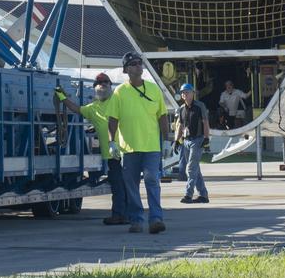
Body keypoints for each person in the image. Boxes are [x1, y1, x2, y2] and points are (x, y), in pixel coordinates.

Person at [107, 51, 169, 234]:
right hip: (129, 148)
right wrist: (112, 142)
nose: (138, 66)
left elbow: (163, 116)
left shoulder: (154, 89)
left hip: (151, 146)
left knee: (152, 180)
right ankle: (136, 221)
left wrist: (167, 140)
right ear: (126, 69)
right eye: (133, 64)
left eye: (139, 63)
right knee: (131, 185)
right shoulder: (120, 92)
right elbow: (113, 119)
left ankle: (156, 219)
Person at [55, 73, 128, 225]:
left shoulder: (118, 100)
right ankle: (122, 215)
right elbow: (75, 108)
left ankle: (123, 215)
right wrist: (61, 96)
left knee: (124, 185)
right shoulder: (92, 108)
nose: (103, 85)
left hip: (126, 150)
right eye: (99, 83)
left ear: (111, 86)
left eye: (106, 82)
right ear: (95, 88)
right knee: (118, 185)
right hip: (111, 154)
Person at [175, 83, 210, 203]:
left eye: (187, 92)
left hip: (198, 140)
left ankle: (188, 195)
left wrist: (206, 138)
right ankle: (203, 195)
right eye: (183, 93)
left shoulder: (200, 106)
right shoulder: (181, 109)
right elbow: (180, 125)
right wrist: (177, 140)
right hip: (186, 141)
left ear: (193, 93)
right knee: (195, 169)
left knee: (190, 168)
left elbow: (205, 122)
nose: (184, 94)